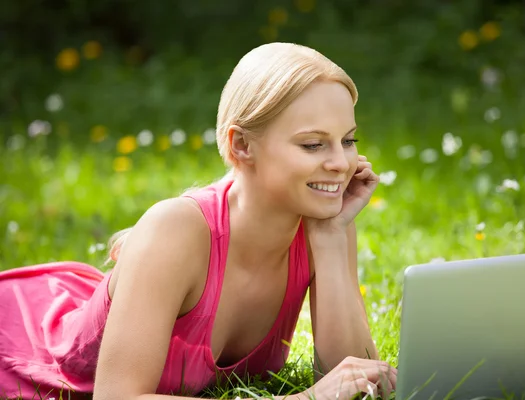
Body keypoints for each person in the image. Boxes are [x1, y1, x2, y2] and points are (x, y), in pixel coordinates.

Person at [0, 42, 397, 400]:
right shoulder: (175, 231)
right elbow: (116, 397)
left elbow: (355, 378)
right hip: (17, 352)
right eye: (313, 144)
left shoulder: (324, 222)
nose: (341, 163)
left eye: (348, 140)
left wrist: (330, 237)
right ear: (241, 145)